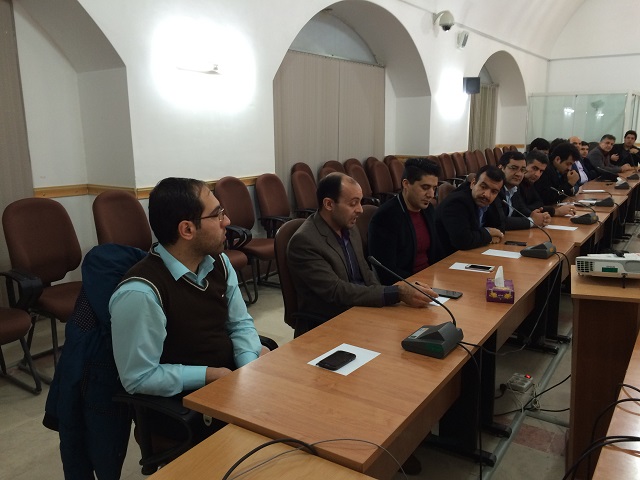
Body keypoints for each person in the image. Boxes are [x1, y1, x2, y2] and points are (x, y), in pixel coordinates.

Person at [110, 177, 268, 399]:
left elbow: (240, 324)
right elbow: (138, 377)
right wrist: (211, 376)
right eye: (217, 214)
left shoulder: (219, 262)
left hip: (230, 382)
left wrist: (247, 368)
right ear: (187, 229)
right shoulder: (141, 293)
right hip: (188, 402)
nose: (227, 221)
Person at [287, 172, 437, 334]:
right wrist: (396, 293)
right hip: (329, 322)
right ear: (329, 204)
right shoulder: (305, 241)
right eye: (353, 203)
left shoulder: (349, 227)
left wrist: (388, 299)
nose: (360, 210)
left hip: (361, 309)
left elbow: (366, 273)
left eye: (360, 202)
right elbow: (336, 291)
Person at [368, 158, 444, 285]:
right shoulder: (385, 217)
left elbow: (437, 251)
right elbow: (387, 272)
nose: (431, 194)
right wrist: (419, 284)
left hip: (431, 279)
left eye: (434, 188)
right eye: (425, 187)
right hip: (408, 286)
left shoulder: (428, 210)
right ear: (406, 184)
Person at [435, 165, 506, 256]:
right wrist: (489, 233)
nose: (487, 195)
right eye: (483, 187)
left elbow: (500, 226)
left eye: (494, 191)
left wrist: (490, 235)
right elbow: (463, 241)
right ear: (473, 184)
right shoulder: (457, 203)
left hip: (472, 253)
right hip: (448, 258)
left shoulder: (490, 200)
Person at [494, 151, 551, 230]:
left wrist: (538, 217)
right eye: (514, 168)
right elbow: (499, 222)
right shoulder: (494, 189)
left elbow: (522, 210)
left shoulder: (515, 188)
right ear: (501, 168)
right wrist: (532, 221)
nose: (519, 174)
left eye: (522, 170)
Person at [518, 150, 575, 217]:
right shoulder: (516, 184)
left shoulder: (529, 183)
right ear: (525, 165)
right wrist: (555, 211)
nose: (537, 174)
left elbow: (540, 203)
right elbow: (522, 210)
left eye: (541, 171)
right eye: (534, 168)